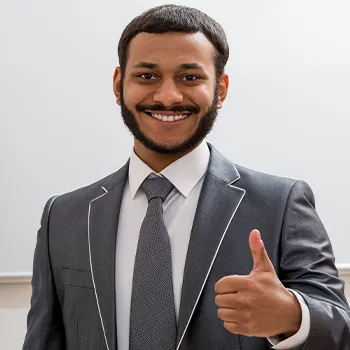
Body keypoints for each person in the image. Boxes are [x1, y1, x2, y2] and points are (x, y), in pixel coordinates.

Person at [23, 4, 350, 350]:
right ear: (119, 84)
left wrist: (291, 316)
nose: (167, 96)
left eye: (190, 77)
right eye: (147, 76)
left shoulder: (280, 205)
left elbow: (340, 330)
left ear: (220, 89)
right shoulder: (64, 216)